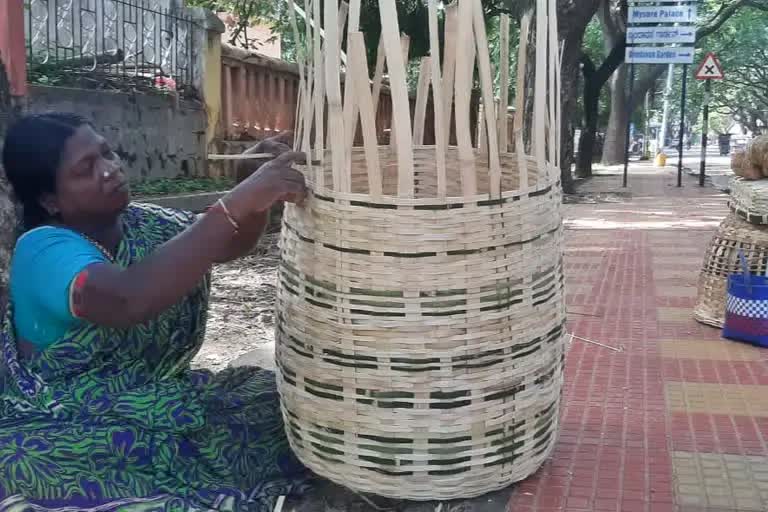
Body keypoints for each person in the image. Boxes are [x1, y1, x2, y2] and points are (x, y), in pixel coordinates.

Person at [0, 113, 312, 510]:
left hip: (158, 402)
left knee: (285, 407)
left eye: (106, 153)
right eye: (86, 169)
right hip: (69, 419)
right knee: (35, 468)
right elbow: (127, 299)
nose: (110, 169)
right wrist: (236, 202)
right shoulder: (42, 251)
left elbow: (225, 243)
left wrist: (246, 190)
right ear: (50, 200)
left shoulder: (146, 223)